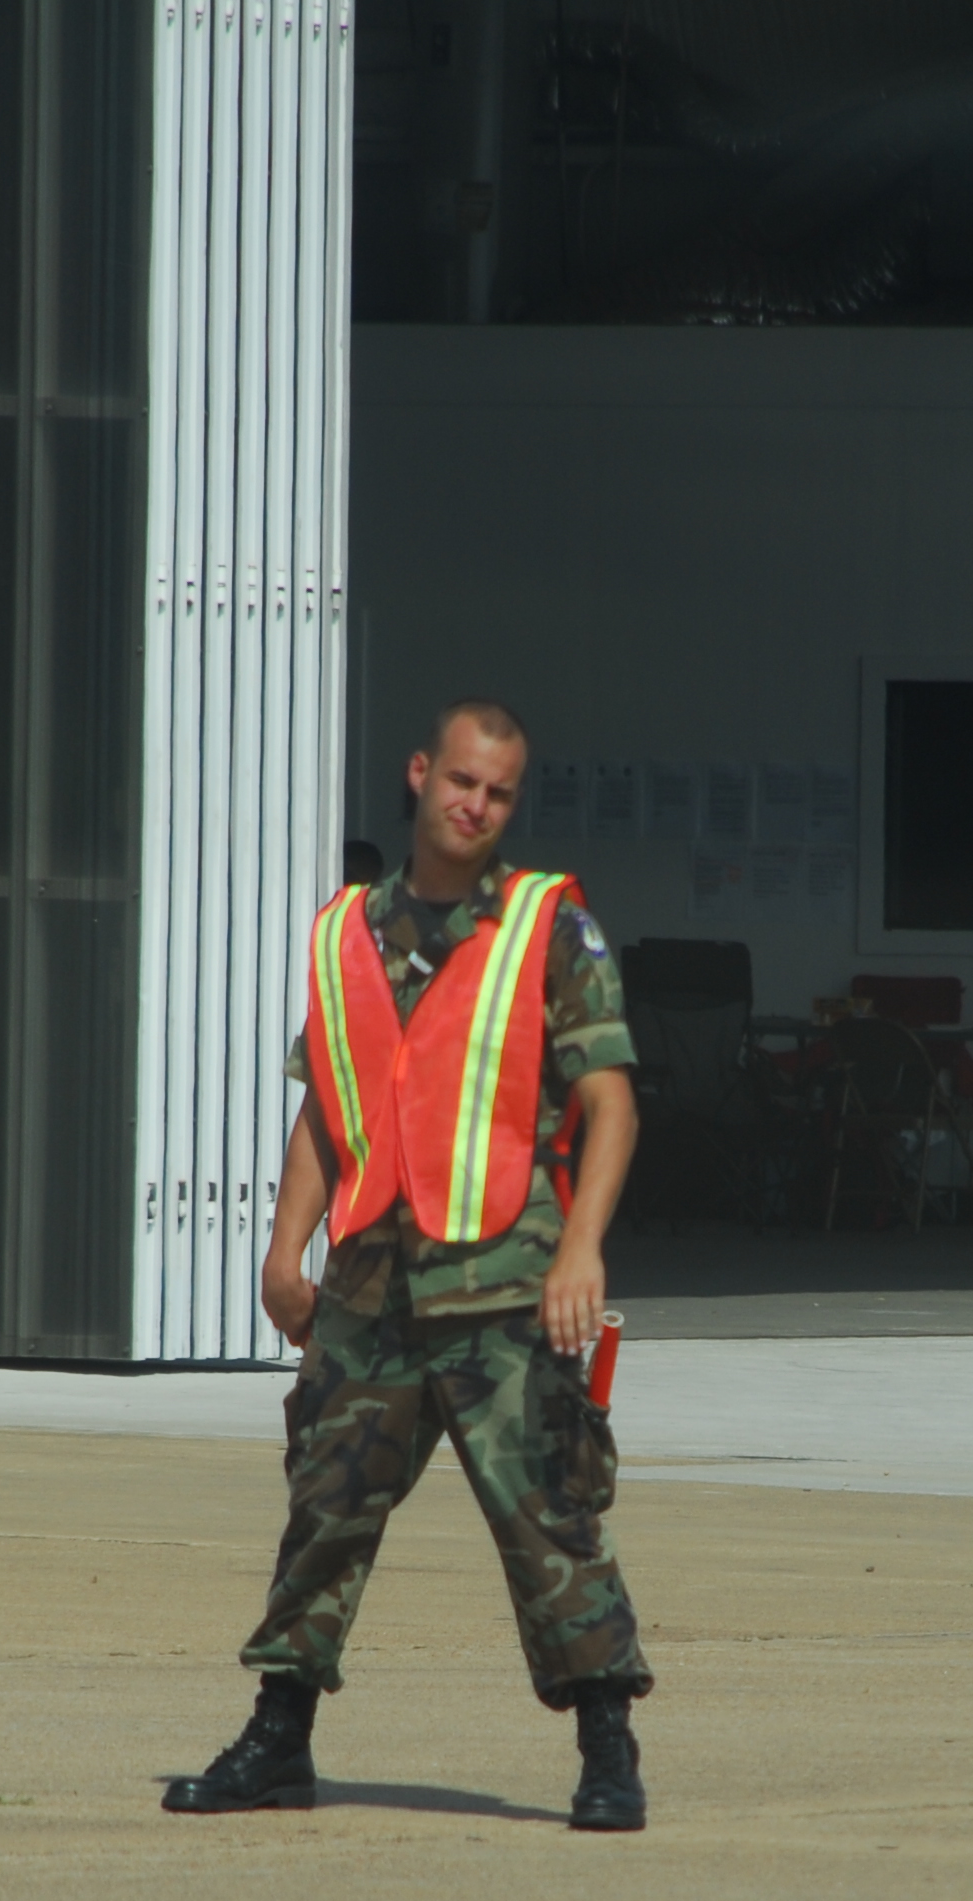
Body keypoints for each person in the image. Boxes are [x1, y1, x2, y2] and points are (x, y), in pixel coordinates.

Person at [165, 699, 656, 1832]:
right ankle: (278, 1737)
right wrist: (285, 1249)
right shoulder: (346, 928)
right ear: (421, 774)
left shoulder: (545, 926)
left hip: (503, 1278)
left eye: (498, 793)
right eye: (462, 783)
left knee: (547, 1512)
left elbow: (611, 1103)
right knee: (323, 1507)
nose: (476, 806)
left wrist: (581, 1248)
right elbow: (326, 1105)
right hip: (369, 1283)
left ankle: (607, 1747)